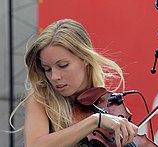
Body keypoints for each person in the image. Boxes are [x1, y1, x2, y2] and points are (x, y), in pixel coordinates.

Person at [13, 18, 138, 147]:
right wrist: (95, 121)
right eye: (47, 69)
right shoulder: (41, 97)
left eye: (63, 65)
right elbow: (34, 145)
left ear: (85, 58)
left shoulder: (108, 103)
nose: (54, 76)